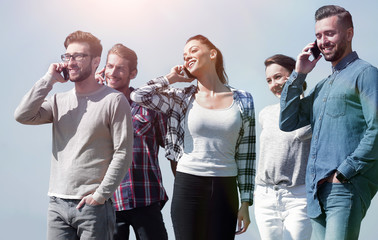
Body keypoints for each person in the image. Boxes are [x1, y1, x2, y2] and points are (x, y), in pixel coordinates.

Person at [131, 35, 256, 240]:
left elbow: (246, 155)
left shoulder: (243, 99)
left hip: (226, 188)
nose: (187, 56)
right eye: (184, 54)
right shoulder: (180, 97)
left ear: (212, 53)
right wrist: (171, 78)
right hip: (189, 185)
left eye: (194, 50)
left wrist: (245, 202)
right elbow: (139, 96)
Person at [14, 31, 133, 240]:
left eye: (79, 56)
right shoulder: (59, 101)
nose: (71, 62)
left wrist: (101, 195)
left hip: (93, 207)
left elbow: (123, 152)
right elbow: (22, 115)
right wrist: (48, 79)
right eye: (67, 56)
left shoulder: (113, 101)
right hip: (57, 205)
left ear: (96, 61)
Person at [279, 5, 378, 240]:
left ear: (349, 34)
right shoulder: (322, 86)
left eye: (330, 33)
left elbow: (377, 129)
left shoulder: (366, 74)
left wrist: (344, 172)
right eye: (318, 35)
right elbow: (287, 121)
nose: (323, 41)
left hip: (345, 187)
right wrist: (299, 74)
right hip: (317, 193)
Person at [96, 43, 169, 240]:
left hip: (145, 197)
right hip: (108, 202)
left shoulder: (148, 105)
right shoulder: (95, 106)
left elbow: (171, 149)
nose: (113, 72)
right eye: (110, 66)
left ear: (133, 73)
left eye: (120, 68)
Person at [254, 54, 312, 240]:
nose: (273, 84)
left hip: (298, 197)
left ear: (293, 74)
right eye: (269, 80)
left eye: (278, 77)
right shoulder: (265, 114)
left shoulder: (312, 108)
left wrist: (295, 86)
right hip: (265, 196)